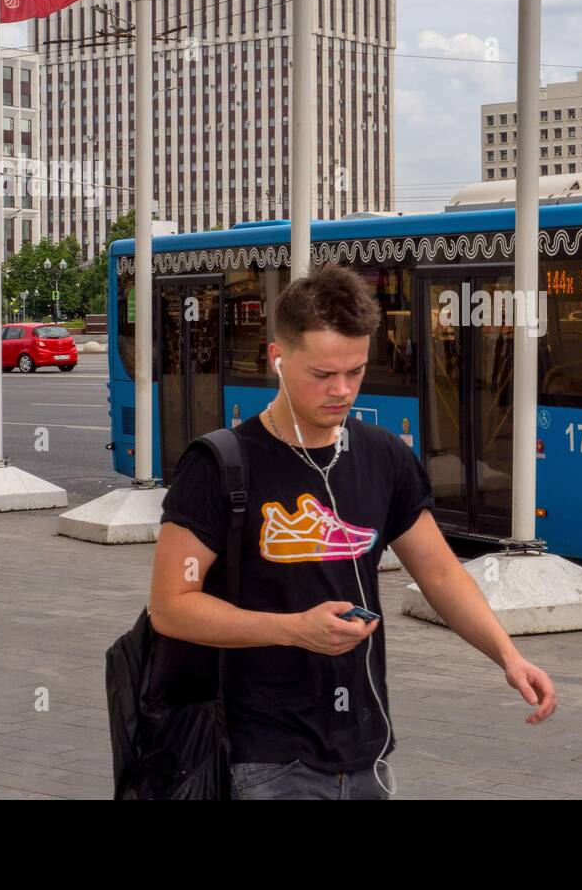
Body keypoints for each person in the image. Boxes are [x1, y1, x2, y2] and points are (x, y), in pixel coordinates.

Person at [150, 264, 557, 800]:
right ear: (277, 357)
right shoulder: (220, 465)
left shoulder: (383, 456)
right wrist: (294, 629)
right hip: (264, 755)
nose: (341, 390)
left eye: (356, 371)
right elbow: (170, 606)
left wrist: (508, 655)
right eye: (322, 375)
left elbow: (438, 573)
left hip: (367, 751)